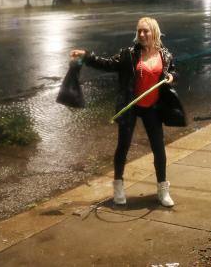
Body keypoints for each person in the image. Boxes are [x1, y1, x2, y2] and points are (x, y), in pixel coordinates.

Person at [70, 16, 185, 207]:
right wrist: (86, 56)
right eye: (139, 31)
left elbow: (174, 71)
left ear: (154, 32)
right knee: (122, 147)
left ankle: (163, 190)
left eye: (145, 31)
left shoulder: (165, 55)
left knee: (159, 149)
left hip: (153, 107)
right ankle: (118, 187)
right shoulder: (129, 54)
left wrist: (172, 76)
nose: (141, 34)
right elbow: (106, 63)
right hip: (130, 105)